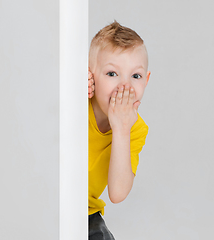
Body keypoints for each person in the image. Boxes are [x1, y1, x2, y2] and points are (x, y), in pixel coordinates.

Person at [87, 20, 150, 240]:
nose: (125, 86)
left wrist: (121, 129)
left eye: (136, 76)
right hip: (45, 196)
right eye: (112, 74)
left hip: (85, 210)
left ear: (147, 81)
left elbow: (117, 193)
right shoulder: (77, 100)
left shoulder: (136, 129)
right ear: (90, 75)